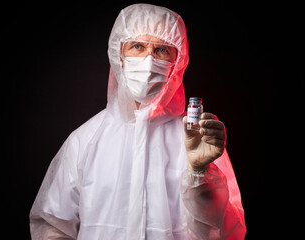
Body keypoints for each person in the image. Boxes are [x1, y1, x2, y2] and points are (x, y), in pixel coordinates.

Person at [30, 3, 246, 240]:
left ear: (178, 61)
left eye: (162, 50)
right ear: (118, 55)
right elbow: (52, 226)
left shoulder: (198, 140)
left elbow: (224, 233)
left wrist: (200, 174)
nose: (149, 61)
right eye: (137, 47)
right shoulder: (85, 140)